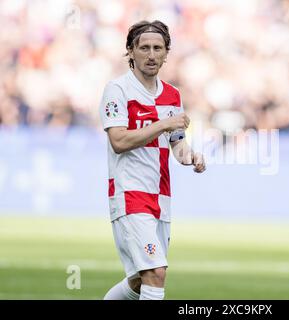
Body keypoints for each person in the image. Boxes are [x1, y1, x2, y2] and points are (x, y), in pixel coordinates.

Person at [99, 20, 206, 300]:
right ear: (131, 52)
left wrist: (191, 157)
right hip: (129, 193)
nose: (151, 54)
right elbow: (119, 141)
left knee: (138, 280)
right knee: (156, 273)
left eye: (157, 48)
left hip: (161, 196)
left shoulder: (172, 95)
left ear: (166, 53)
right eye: (143, 47)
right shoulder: (118, 90)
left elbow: (177, 143)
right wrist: (163, 124)